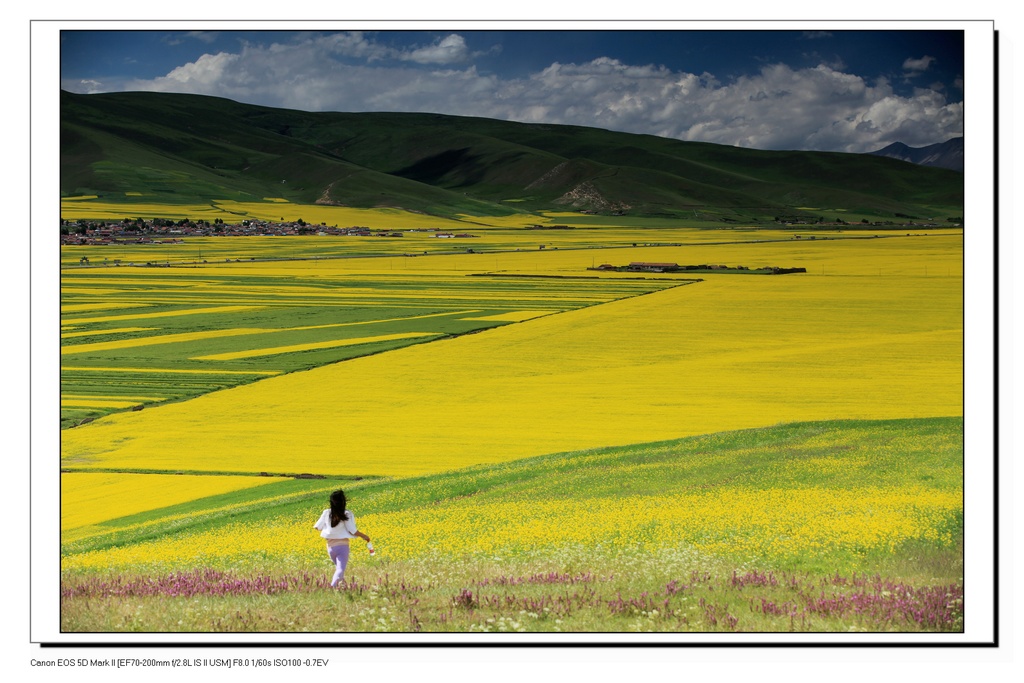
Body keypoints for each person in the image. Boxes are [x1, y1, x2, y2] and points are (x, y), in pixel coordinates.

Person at [313, 489, 371, 588]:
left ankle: (344, 587)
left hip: (330, 547)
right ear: (343, 501)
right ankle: (332, 588)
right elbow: (352, 530)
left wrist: (330, 530)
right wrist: (364, 536)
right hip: (342, 547)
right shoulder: (347, 513)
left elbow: (317, 527)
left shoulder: (326, 512)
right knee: (340, 570)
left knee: (339, 569)